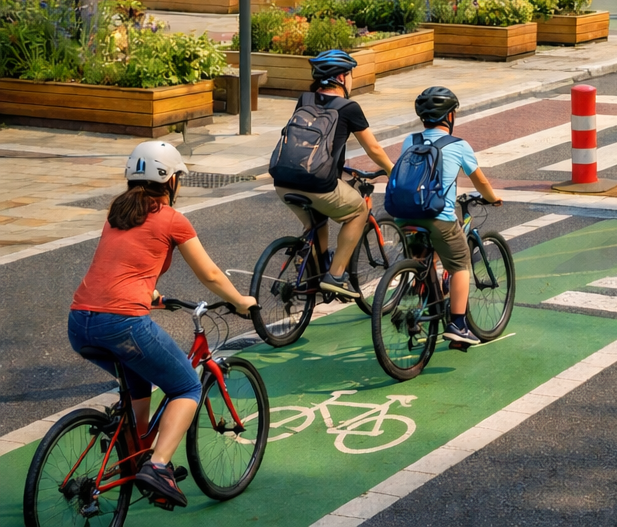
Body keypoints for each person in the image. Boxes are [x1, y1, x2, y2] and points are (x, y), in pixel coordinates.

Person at [68, 141, 257, 508]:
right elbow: (211, 274)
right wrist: (241, 301)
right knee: (186, 387)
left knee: (138, 376)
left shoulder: (116, 212)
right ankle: (157, 467)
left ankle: (134, 449)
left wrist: (150, 292)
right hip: (122, 323)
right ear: (170, 180)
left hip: (79, 322)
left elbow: (120, 263)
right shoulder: (172, 218)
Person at [270, 51, 394, 298]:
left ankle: (312, 276)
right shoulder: (349, 107)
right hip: (318, 184)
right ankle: (335, 275)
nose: (351, 80)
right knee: (359, 210)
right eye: (349, 75)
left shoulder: (304, 99)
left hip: (283, 181)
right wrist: (394, 173)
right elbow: (374, 149)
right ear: (340, 77)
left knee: (316, 221)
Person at [393, 87, 501, 345]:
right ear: (450, 117)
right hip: (438, 217)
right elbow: (480, 181)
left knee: (422, 257)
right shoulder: (459, 145)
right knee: (460, 264)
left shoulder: (411, 141)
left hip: (404, 216)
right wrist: (493, 197)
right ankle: (458, 324)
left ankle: (416, 304)